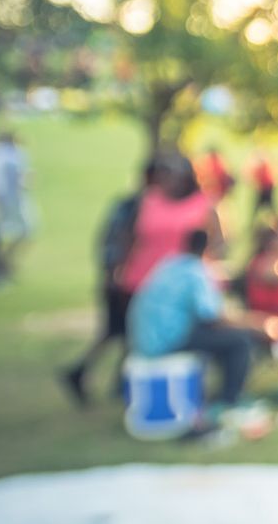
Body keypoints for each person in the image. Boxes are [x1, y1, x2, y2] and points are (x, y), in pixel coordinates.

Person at [127, 228, 265, 412]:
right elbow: (212, 316)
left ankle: (216, 394)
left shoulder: (171, 263)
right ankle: (229, 401)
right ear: (209, 247)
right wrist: (256, 323)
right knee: (240, 341)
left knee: (219, 339)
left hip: (145, 338)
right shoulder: (196, 271)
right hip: (167, 340)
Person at [60, 164, 155, 407]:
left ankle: (115, 381)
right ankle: (84, 373)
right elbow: (115, 243)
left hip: (119, 280)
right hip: (121, 282)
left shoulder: (130, 205)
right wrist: (115, 276)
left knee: (120, 334)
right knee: (120, 332)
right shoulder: (136, 207)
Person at [117, 152, 221, 299]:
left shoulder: (203, 205)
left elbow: (217, 243)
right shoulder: (148, 200)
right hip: (141, 280)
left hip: (181, 285)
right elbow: (129, 237)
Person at [0, 131, 33, 279]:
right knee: (27, 231)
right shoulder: (15, 155)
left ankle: (1, 265)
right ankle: (4, 264)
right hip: (13, 201)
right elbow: (23, 180)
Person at [247, 149, 278, 221]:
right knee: (266, 208)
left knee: (271, 208)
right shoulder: (262, 164)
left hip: (267, 188)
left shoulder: (263, 164)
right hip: (263, 189)